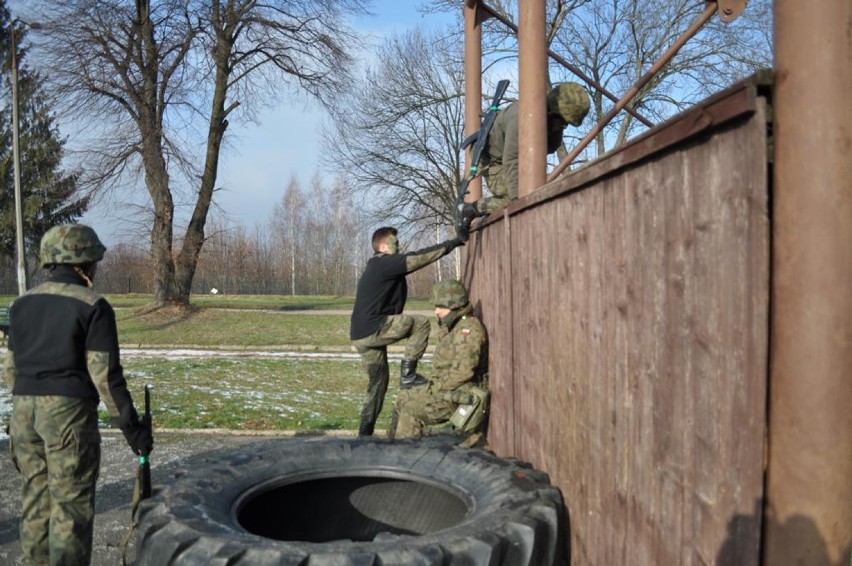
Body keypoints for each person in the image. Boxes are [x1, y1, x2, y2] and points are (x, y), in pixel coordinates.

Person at [4, 224, 152, 566]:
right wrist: (134, 430)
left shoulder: (21, 305)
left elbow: (11, 369)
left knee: (35, 506)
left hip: (23, 417)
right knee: (70, 512)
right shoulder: (93, 305)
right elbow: (104, 376)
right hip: (67, 419)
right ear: (84, 264)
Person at [351, 227, 464, 437]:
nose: (399, 245)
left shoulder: (375, 266)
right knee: (420, 323)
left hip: (361, 336)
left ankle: (364, 434)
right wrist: (452, 243)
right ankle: (408, 374)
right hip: (375, 328)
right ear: (383, 247)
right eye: (395, 242)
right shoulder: (385, 263)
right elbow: (418, 258)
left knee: (378, 384)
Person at [457, 82, 590, 236]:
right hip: (490, 160)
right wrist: (518, 203)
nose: (562, 126)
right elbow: (511, 158)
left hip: (511, 155)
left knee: (537, 188)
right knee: (516, 195)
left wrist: (556, 127)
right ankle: (469, 209)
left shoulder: (545, 117)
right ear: (553, 111)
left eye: (565, 124)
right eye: (561, 121)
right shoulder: (522, 117)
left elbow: (551, 147)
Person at [392, 279, 488, 440]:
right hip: (442, 387)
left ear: (456, 306)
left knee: (411, 410)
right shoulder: (454, 326)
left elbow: (462, 373)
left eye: (441, 307)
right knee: (402, 398)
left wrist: (437, 390)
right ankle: (389, 448)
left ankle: (406, 458)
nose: (436, 311)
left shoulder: (468, 331)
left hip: (457, 393)